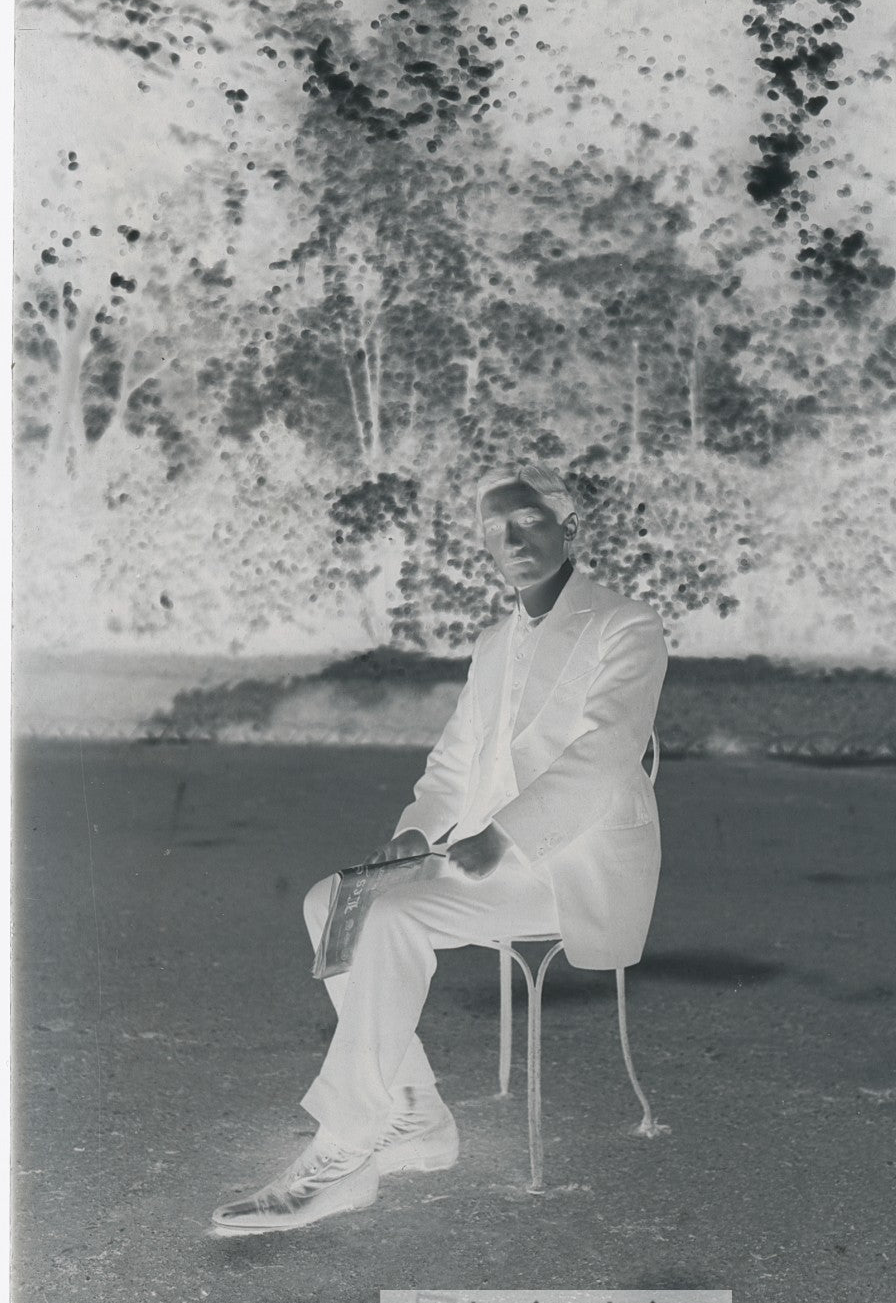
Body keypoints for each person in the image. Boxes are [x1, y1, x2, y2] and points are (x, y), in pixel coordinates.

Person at [212, 462, 668, 1233]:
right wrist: (418, 830)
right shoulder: (493, 644)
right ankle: (416, 1112)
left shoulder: (625, 626)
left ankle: (344, 1150)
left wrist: (504, 835)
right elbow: (455, 762)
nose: (512, 539)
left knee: (397, 919)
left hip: (572, 866)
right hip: (483, 854)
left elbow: (605, 756)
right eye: (495, 528)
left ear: (568, 526)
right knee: (334, 902)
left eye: (529, 520)